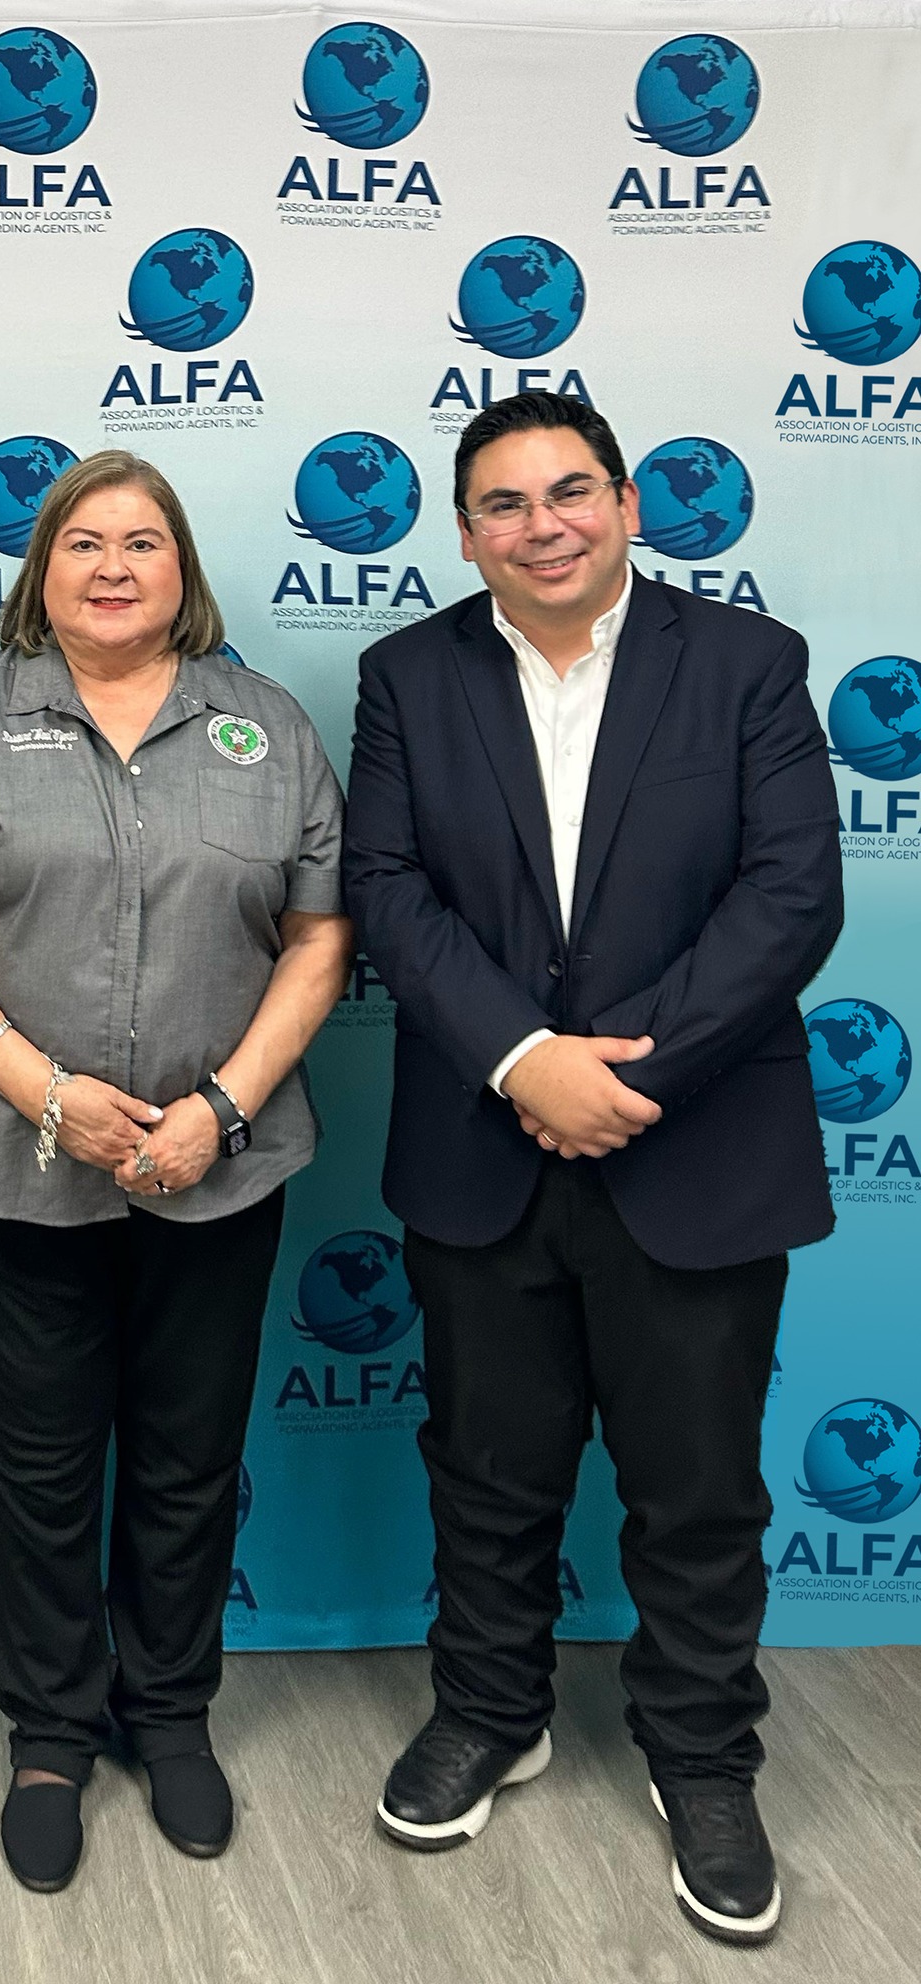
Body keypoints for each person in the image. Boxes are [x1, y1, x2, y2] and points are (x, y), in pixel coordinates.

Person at [345, 391, 841, 1946]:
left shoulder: (748, 665)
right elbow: (387, 890)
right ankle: (491, 1712)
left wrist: (622, 1080)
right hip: (481, 1144)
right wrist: (522, 1060)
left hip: (696, 1147)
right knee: (486, 1472)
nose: (541, 526)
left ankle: (703, 1758)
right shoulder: (407, 676)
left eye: (570, 493)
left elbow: (791, 896)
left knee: (697, 1488)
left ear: (628, 506)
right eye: (503, 503)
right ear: (464, 532)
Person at [0, 450, 352, 1892]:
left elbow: (320, 941)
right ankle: (51, 1736)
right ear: (43, 571)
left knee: (192, 1458)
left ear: (183, 568)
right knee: (41, 1463)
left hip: (223, 1166)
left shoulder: (270, 727)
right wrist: (48, 1096)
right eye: (84, 542)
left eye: (144, 542)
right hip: (20, 1165)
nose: (114, 567)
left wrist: (221, 1109)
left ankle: (172, 1713)